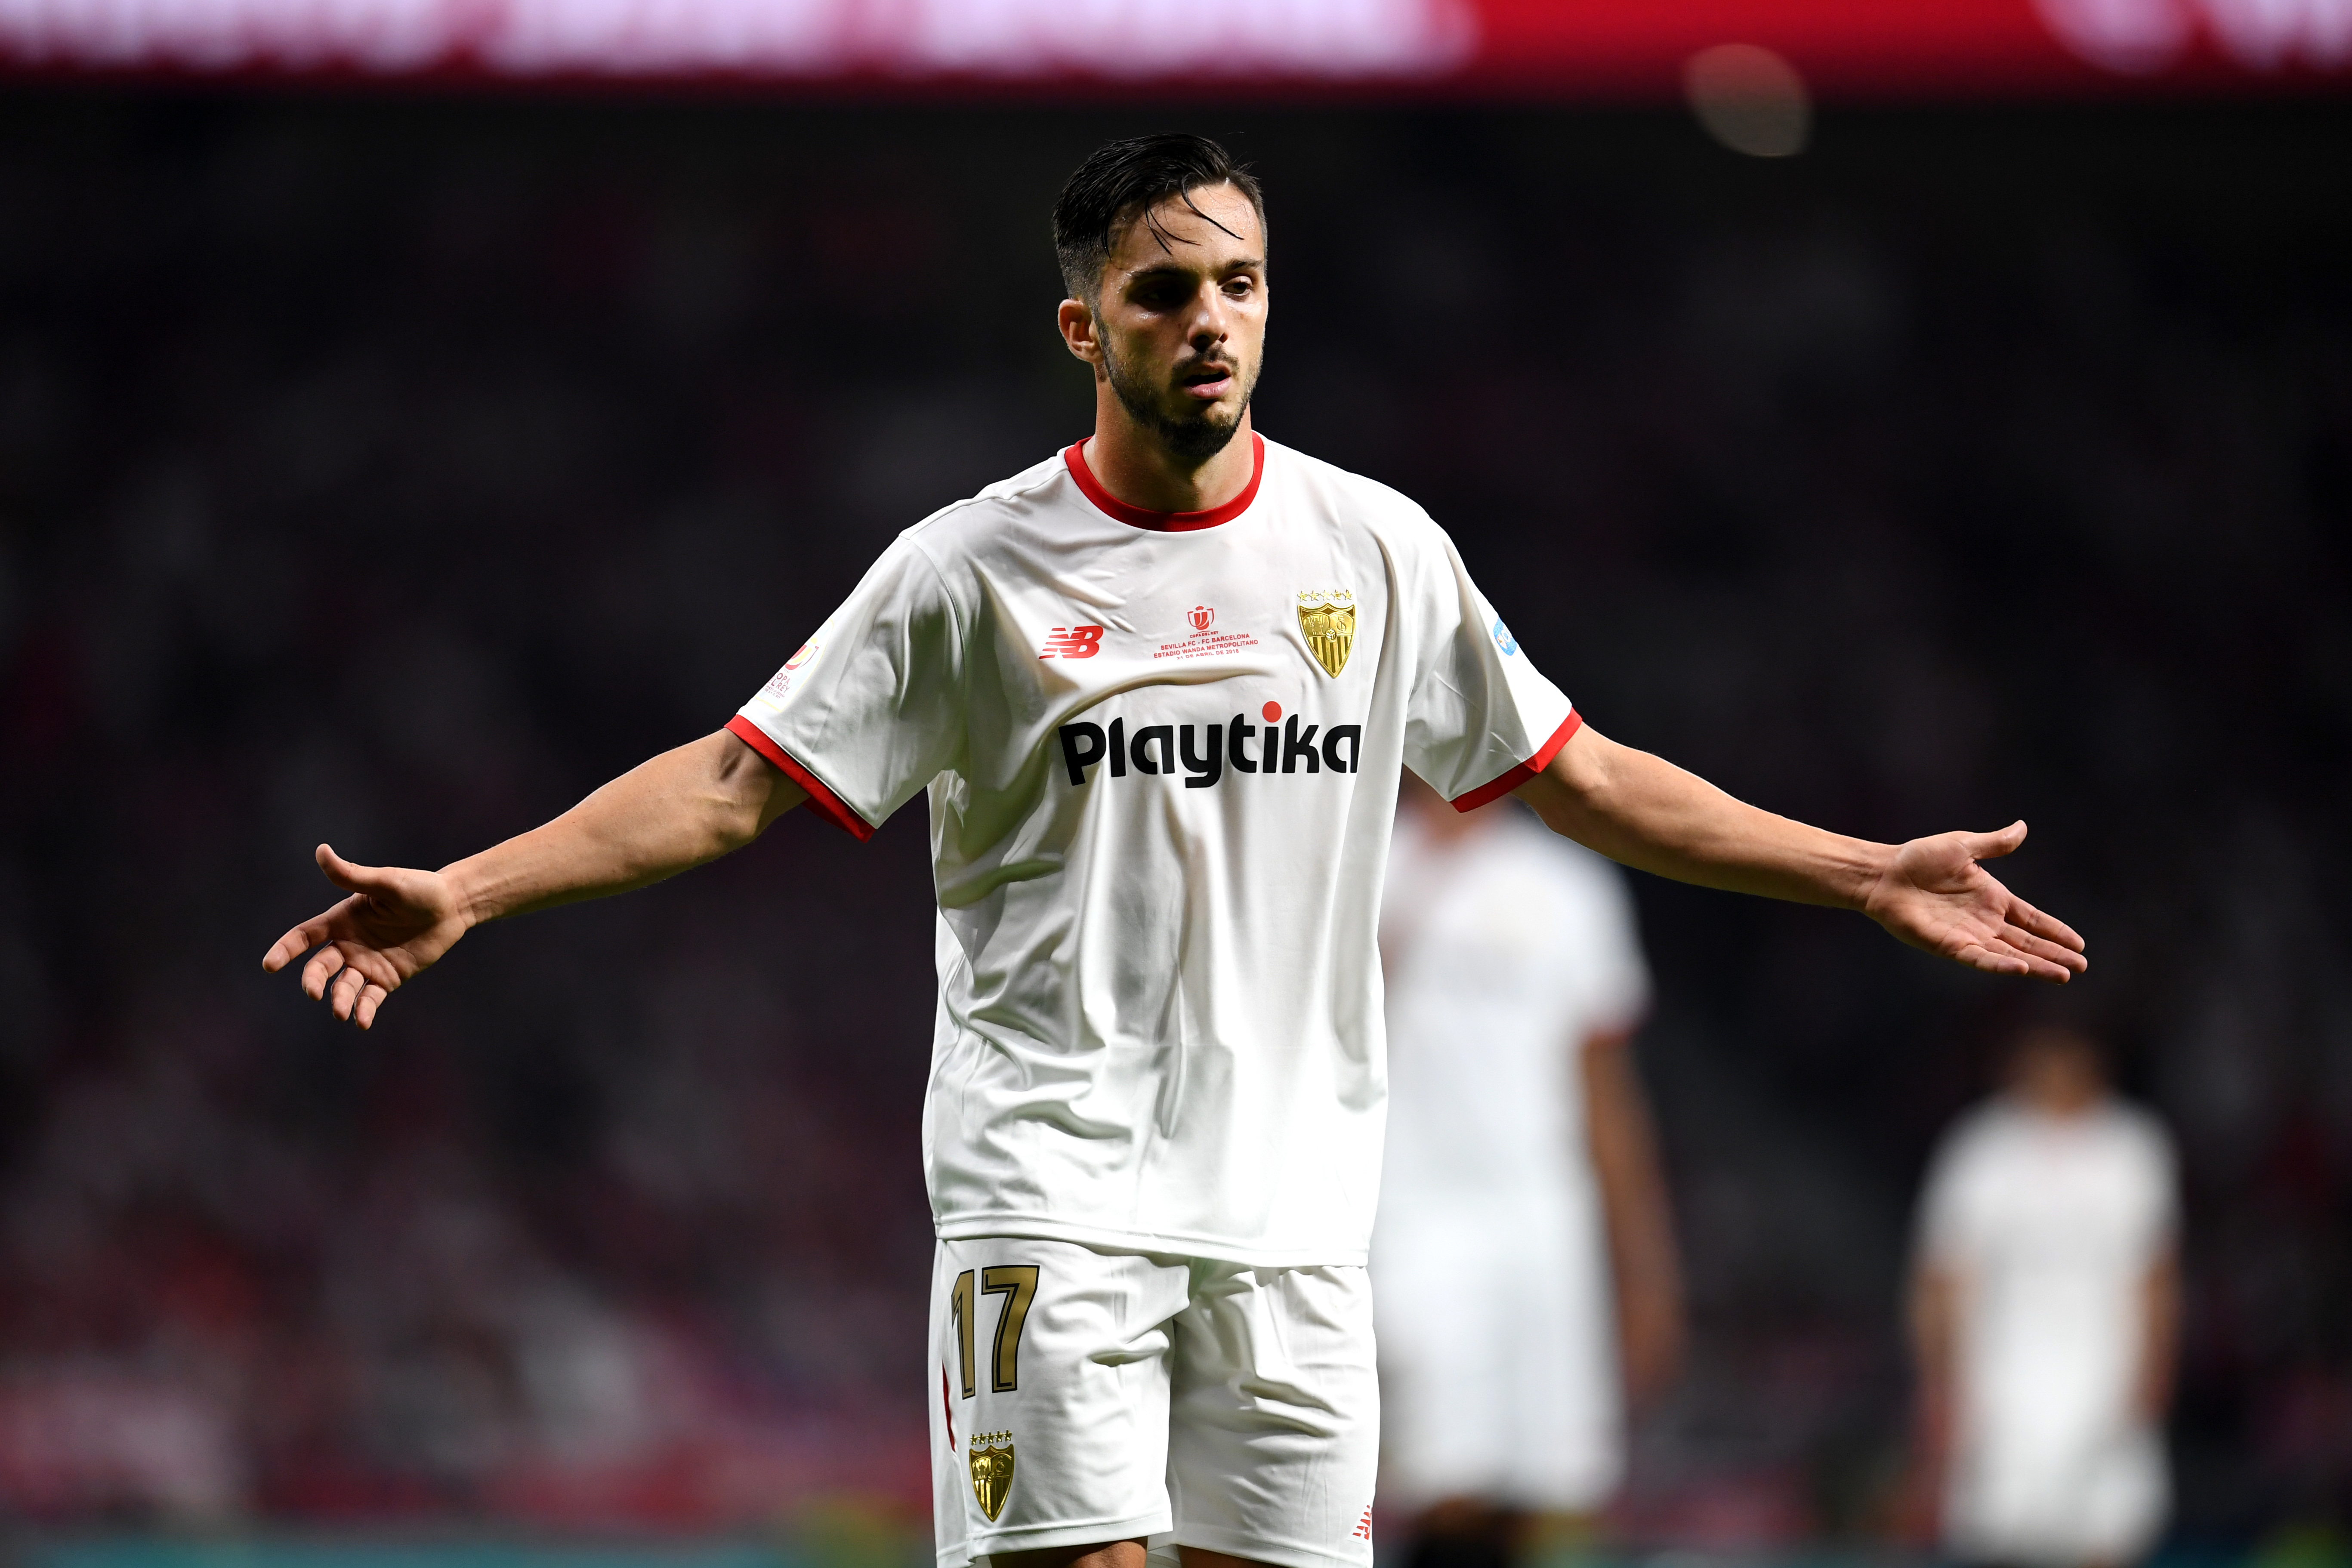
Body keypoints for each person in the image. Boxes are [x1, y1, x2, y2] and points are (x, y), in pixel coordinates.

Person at [262, 133, 2088, 1568]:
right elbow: (737, 784)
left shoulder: (1376, 555)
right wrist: (477, 886)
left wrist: (1861, 871)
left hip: (1296, 1219)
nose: (1209, 317)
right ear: (1085, 327)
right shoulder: (967, 574)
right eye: (1163, 291)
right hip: (1049, 1192)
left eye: (1239, 283)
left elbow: (1586, 778)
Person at [1373, 775, 1682, 1568]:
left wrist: (1644, 1271)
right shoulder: (1367, 864)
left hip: (1543, 1215)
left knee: (1539, 1484)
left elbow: (1605, 1090)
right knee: (1443, 1474)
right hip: (1409, 1209)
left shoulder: (1571, 889)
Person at [1908, 1027, 2179, 1568]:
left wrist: (2153, 1372)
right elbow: (1941, 1277)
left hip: (2103, 1388)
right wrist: (1938, 1383)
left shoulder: (2131, 1149)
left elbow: (2154, 1275)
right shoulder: (1982, 1150)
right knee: (1999, 1537)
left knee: (2107, 1534)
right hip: (2000, 1393)